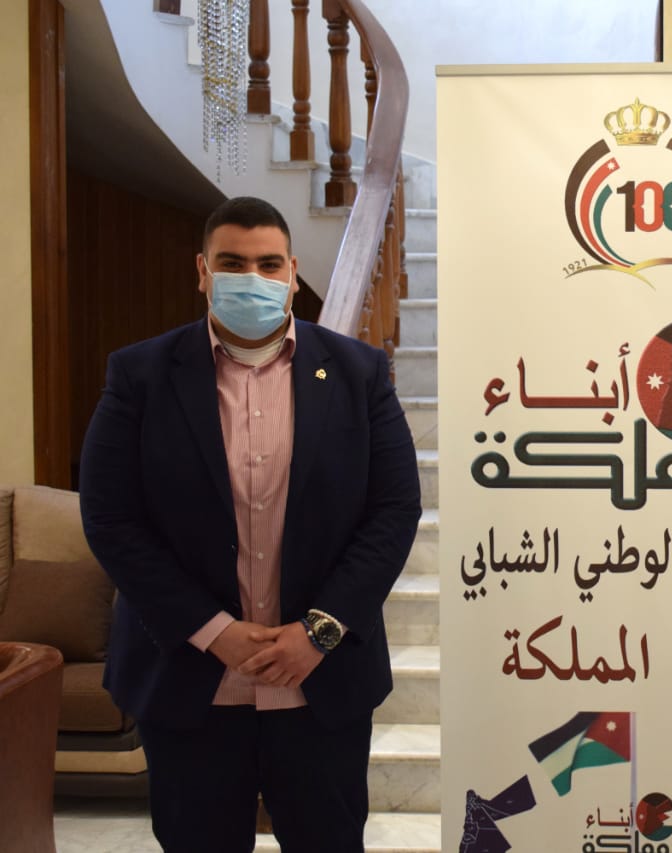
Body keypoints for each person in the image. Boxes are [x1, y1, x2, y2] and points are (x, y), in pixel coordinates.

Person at [79, 196, 421, 852]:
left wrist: (318, 631)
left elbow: (394, 510)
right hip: (188, 685)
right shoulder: (140, 375)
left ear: (292, 272)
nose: (252, 278)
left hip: (321, 687)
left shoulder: (359, 373)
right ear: (202, 271)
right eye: (232, 263)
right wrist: (214, 632)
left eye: (268, 264)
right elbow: (111, 517)